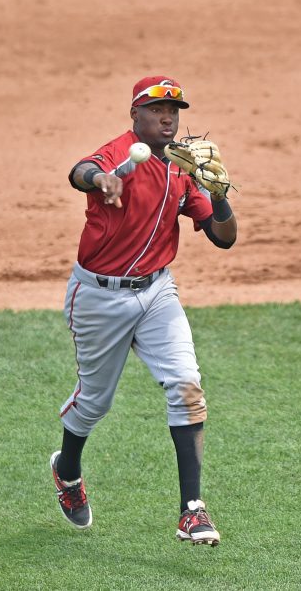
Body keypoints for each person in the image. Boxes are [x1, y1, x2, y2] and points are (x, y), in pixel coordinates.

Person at [49, 76, 237, 547]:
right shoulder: (118, 153)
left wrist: (218, 193)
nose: (167, 117)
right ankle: (67, 471)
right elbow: (79, 171)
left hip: (157, 293)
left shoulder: (182, 169)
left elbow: (223, 236)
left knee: (187, 385)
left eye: (174, 110)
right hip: (99, 297)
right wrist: (103, 180)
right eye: (156, 109)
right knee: (94, 402)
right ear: (135, 115)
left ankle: (191, 511)